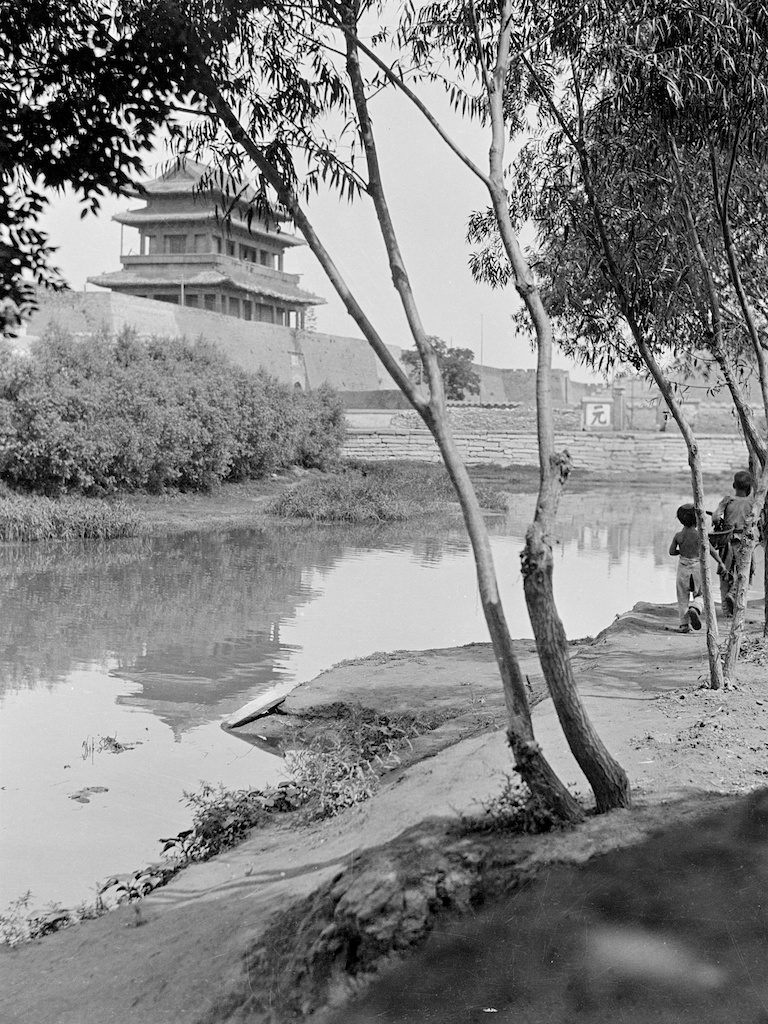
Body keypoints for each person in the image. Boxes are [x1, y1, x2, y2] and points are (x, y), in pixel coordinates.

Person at [669, 503, 725, 633]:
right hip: (697, 567)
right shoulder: (701, 535)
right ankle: (695, 607)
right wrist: (721, 563)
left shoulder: (678, 536)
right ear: (698, 519)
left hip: (683, 568)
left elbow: (671, 552)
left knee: (682, 596)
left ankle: (684, 625)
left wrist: (681, 552)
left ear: (680, 519)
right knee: (701, 593)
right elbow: (712, 551)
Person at [710, 470, 755, 617]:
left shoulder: (728, 500)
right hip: (744, 541)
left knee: (725, 574)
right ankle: (735, 594)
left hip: (727, 542)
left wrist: (719, 513)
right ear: (749, 487)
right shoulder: (752, 502)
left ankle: (726, 610)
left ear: (734, 485)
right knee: (744, 572)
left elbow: (716, 518)